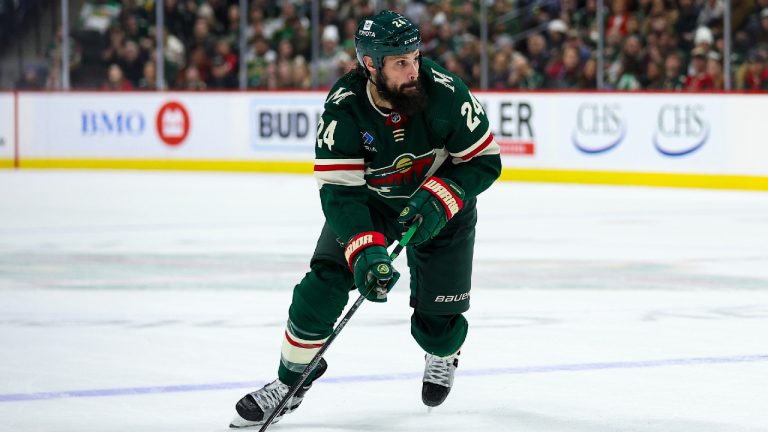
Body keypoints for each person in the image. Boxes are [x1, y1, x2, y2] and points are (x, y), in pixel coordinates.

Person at [229, 10, 501, 429]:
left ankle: (443, 352)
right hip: (373, 205)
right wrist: (365, 249)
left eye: (415, 57)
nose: (414, 70)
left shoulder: (446, 93)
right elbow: (340, 192)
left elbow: (485, 160)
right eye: (401, 63)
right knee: (321, 288)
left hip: (442, 207)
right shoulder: (344, 108)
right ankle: (288, 385)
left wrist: (443, 195)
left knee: (438, 321)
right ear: (370, 65)